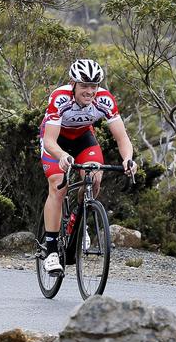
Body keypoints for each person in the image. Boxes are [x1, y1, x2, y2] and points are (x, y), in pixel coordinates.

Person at [39, 59, 136, 273]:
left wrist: (128, 159)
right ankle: (52, 251)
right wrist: (62, 156)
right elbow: (49, 142)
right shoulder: (60, 98)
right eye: (84, 86)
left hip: (84, 138)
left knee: (95, 176)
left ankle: (78, 219)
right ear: (73, 84)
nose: (90, 91)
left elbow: (122, 138)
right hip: (56, 141)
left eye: (94, 86)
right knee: (58, 185)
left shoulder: (105, 100)